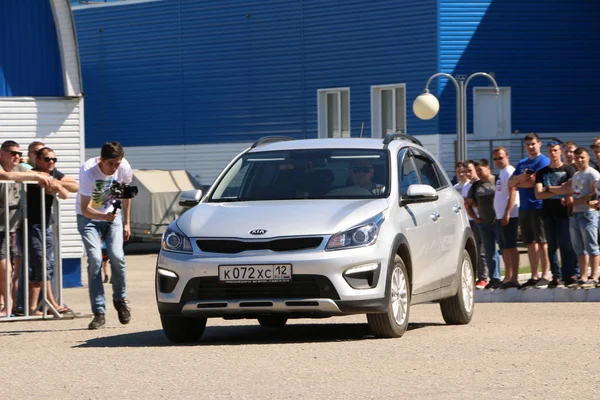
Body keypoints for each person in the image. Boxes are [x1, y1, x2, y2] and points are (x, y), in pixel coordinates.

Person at [76, 142, 133, 329]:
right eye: (111, 164)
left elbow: (125, 196)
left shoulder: (123, 167)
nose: (114, 168)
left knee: (117, 257)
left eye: (117, 163)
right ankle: (99, 311)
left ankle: (120, 300)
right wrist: (103, 216)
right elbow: (85, 209)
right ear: (101, 160)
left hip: (112, 216)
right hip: (89, 218)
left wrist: (126, 223)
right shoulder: (88, 171)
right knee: (95, 259)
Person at [0, 141, 51, 317]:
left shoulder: (20, 167)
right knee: (5, 267)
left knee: (11, 268)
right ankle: (7, 305)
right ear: (2, 153)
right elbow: (5, 177)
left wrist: (54, 183)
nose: (16, 156)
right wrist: (37, 178)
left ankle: (9, 306)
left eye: (18, 154)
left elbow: (36, 173)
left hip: (10, 226)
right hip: (3, 225)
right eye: (12, 153)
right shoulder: (4, 169)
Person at [26, 147, 79, 315]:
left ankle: (34, 308)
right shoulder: (32, 174)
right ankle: (52, 303)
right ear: (39, 160)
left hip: (46, 224)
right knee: (41, 265)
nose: (51, 162)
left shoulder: (54, 173)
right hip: (32, 225)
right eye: (48, 159)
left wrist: (56, 183)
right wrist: (51, 183)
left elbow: (69, 191)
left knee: (43, 266)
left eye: (54, 160)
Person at [508, 133, 551, 289]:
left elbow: (534, 182)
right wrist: (520, 180)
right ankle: (534, 275)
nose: (531, 147)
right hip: (524, 207)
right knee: (530, 243)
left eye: (533, 144)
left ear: (539, 144)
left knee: (542, 242)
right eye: (528, 145)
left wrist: (520, 182)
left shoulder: (543, 161)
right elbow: (510, 183)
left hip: (538, 206)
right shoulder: (522, 163)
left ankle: (545, 274)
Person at [534, 140, 578, 288]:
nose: (553, 153)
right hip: (548, 213)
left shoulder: (569, 170)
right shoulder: (542, 172)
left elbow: (569, 190)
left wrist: (548, 189)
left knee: (567, 244)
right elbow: (538, 195)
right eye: (551, 151)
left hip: (565, 213)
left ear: (561, 152)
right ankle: (556, 275)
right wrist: (559, 189)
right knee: (552, 246)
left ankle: (569, 274)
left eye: (556, 150)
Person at [560, 148, 600, 288]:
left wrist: (576, 201)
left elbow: (594, 194)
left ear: (588, 157)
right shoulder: (576, 174)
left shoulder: (593, 174)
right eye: (577, 158)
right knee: (579, 247)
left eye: (582, 157)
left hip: (588, 213)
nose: (579, 160)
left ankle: (594, 276)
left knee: (591, 245)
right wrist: (568, 201)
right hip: (575, 214)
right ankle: (583, 276)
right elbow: (573, 192)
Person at [467, 159, 501, 288]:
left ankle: (504, 276)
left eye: (480, 170)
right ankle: (494, 278)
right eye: (477, 171)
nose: (479, 173)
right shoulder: (476, 186)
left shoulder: (498, 181)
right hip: (484, 223)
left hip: (498, 221)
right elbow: (468, 204)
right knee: (489, 252)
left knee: (503, 250)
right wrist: (475, 218)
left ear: (488, 168)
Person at [492, 147, 521, 289]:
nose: (498, 161)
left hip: (509, 215)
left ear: (507, 157)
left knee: (511, 246)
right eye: (495, 159)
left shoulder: (510, 171)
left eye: (500, 158)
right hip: (499, 215)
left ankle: (514, 277)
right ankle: (508, 276)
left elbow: (513, 194)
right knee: (504, 247)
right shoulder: (501, 173)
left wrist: (507, 213)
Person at [462, 160, 489, 289]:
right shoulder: (467, 186)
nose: (468, 173)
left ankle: (484, 277)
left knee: (482, 250)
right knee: (474, 250)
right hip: (470, 221)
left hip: (481, 219)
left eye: (470, 171)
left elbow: (473, 203)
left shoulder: (480, 184)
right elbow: (467, 204)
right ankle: (475, 276)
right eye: (465, 171)